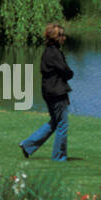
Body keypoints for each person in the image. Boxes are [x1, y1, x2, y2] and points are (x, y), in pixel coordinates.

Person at [19, 22, 73, 161]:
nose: (64, 38)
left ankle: (28, 145)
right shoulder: (55, 53)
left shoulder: (48, 52)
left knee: (55, 122)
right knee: (62, 124)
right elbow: (66, 71)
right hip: (57, 92)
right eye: (62, 35)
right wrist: (70, 73)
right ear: (56, 37)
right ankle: (59, 156)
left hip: (49, 91)